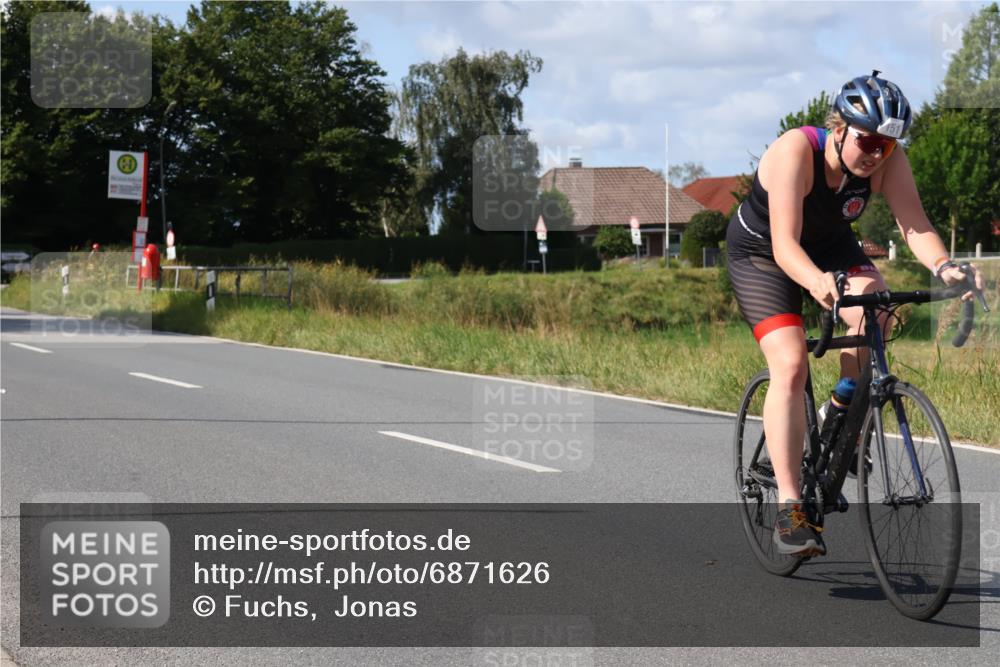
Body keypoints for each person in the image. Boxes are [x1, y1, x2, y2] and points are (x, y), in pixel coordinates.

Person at [725, 71, 984, 556]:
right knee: (792, 364)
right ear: (839, 128)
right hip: (763, 253)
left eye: (886, 145)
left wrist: (944, 266)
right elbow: (784, 246)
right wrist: (814, 281)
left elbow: (914, 224)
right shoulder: (795, 151)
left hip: (830, 246)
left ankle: (838, 413)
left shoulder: (886, 159)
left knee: (878, 314)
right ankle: (790, 508)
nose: (876, 154)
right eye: (868, 141)